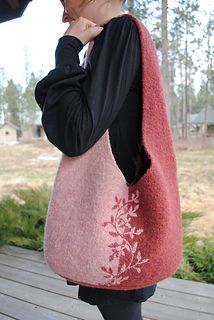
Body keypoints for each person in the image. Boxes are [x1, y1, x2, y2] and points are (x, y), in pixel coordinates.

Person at [35, 0, 158, 319]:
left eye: (64, 2)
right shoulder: (114, 39)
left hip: (114, 220)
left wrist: (66, 48)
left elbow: (74, 133)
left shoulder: (121, 31)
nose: (64, 14)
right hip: (114, 217)